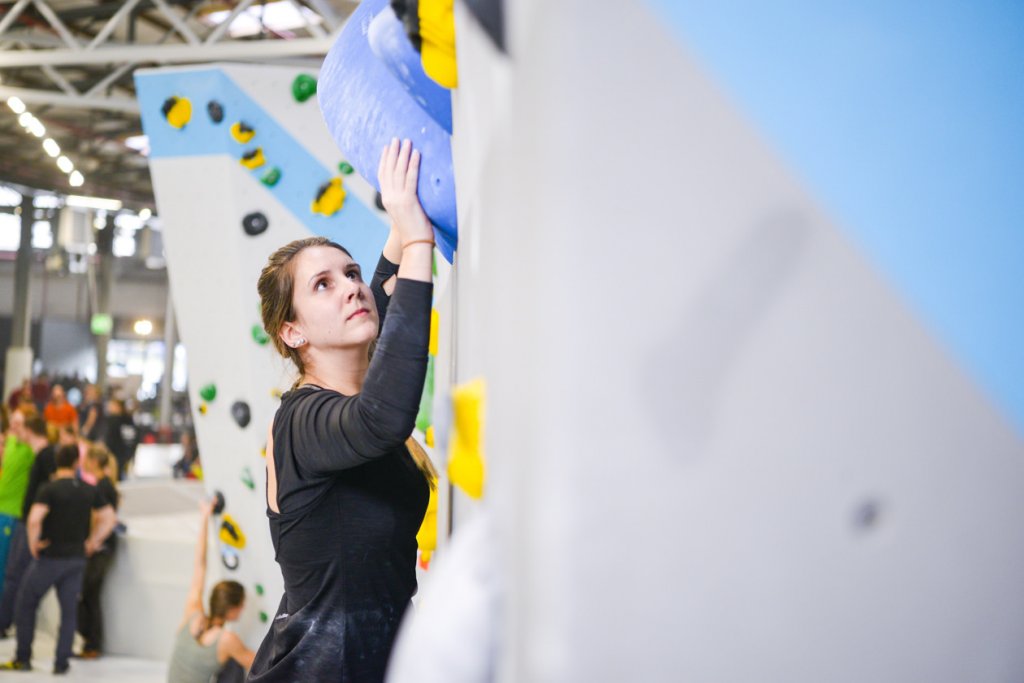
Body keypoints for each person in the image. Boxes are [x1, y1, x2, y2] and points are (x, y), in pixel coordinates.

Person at [247, 139, 437, 682]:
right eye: (323, 285)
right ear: (293, 330)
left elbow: (379, 290)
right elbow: (384, 418)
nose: (351, 289)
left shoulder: (352, 397)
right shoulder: (302, 422)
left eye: (350, 274)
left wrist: (404, 224)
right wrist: (419, 240)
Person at [0, 444, 117, 674]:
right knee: (69, 611)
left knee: (26, 601)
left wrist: (34, 543)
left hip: (50, 557)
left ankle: (23, 657)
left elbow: (34, 519)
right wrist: (92, 542)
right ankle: (61, 662)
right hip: (76, 559)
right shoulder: (87, 489)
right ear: (76, 463)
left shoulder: (49, 489)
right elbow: (109, 517)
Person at [166, 499, 255, 683]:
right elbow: (261, 663)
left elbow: (200, 565)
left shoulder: (193, 612)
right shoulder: (226, 639)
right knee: (235, 665)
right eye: (242, 604)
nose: (244, 607)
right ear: (232, 609)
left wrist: (205, 516)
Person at [0, 414, 55, 637]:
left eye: (18, 426)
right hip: (21, 518)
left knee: (13, 574)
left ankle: (4, 623)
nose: (14, 431)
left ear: (29, 428)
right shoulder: (27, 449)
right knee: (13, 573)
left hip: (20, 519)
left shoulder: (39, 454)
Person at [75, 445, 120, 659]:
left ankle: (93, 643)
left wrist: (92, 542)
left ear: (94, 462)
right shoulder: (104, 485)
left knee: (90, 594)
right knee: (89, 594)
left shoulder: (102, 487)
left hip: (100, 548)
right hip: (101, 547)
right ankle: (90, 642)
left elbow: (102, 518)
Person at [0, 407, 38, 596]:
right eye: (12, 421)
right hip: (2, 510)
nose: (14, 426)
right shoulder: (10, 442)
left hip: (11, 513)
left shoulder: (30, 449)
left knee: (3, 566)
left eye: (19, 423)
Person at [103, 398, 137, 480]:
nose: (109, 407)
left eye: (111, 405)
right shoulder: (128, 420)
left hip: (117, 454)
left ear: (118, 407)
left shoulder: (114, 421)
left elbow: (110, 439)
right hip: (124, 455)